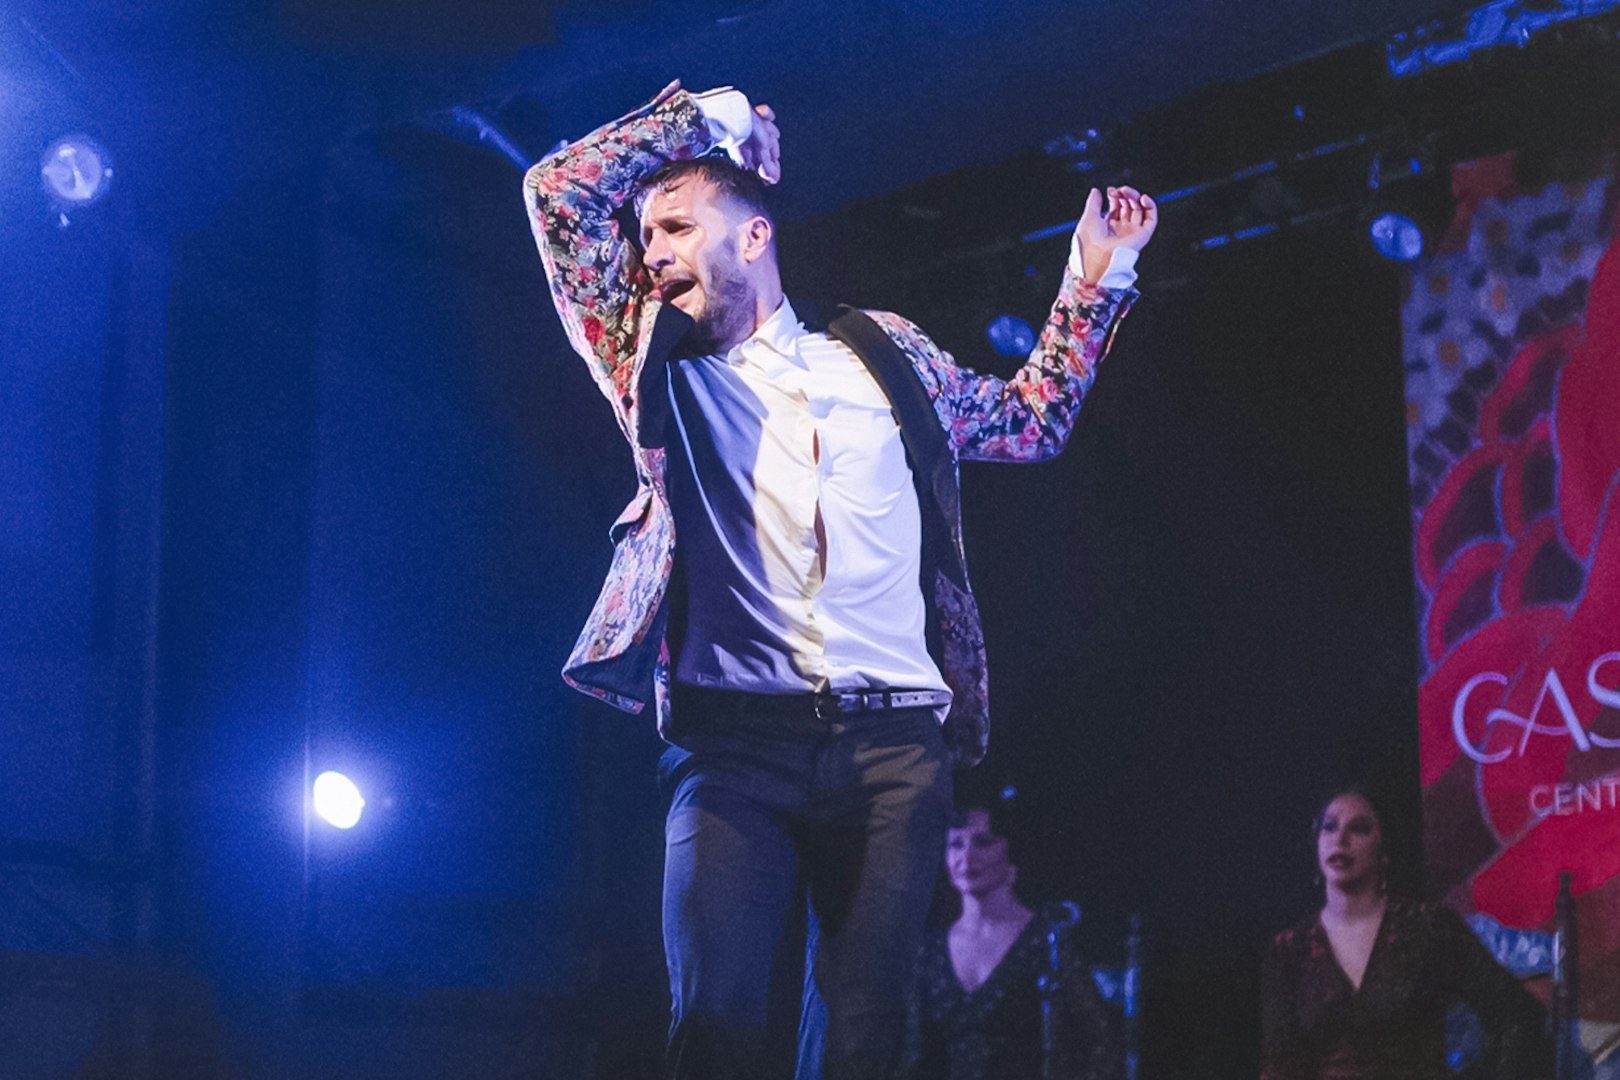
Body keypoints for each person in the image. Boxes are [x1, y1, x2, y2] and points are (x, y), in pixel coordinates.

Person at [523, 80, 1156, 1080]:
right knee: (718, 1027)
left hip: (892, 748)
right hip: (731, 752)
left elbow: (1030, 423)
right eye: (645, 236)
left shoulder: (881, 350)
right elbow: (557, 193)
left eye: (677, 225)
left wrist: (1097, 279)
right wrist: (709, 120)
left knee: (865, 1038)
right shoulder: (650, 360)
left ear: (753, 237)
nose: (652, 252)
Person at [1260, 789, 1550, 1080]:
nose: (1340, 839)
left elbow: (1517, 1014)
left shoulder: (1428, 928)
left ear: (1383, 849)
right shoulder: (1288, 951)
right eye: (1329, 827)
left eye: (1358, 829)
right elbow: (1281, 1065)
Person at [901, 800, 1122, 1080]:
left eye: (983, 842)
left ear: (1011, 851)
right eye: (956, 844)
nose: (967, 857)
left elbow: (1101, 1045)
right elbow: (915, 1059)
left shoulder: (1045, 941)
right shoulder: (929, 950)